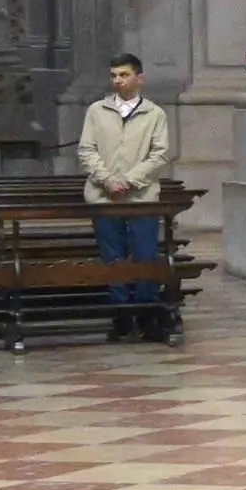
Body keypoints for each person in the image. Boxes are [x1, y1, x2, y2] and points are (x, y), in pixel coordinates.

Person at [78, 51, 175, 342]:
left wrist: (130, 182)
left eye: (123, 74)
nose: (117, 80)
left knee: (145, 255)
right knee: (113, 257)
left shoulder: (154, 113)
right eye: (114, 75)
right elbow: (86, 150)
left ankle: (147, 315)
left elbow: (160, 155)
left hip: (141, 196)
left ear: (139, 78)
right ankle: (120, 315)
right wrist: (107, 180)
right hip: (104, 197)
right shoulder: (97, 111)